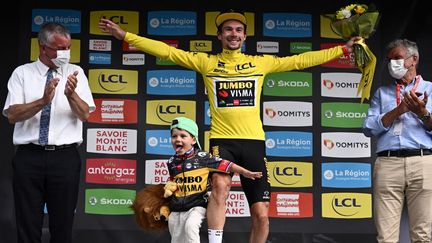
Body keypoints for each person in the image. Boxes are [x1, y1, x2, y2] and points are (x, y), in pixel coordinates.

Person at [99, 9, 359, 243]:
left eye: (238, 30)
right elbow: (168, 51)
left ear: (244, 36)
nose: (233, 34)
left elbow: (301, 60)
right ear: (219, 35)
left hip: (254, 142)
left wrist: (343, 50)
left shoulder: (261, 62)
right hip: (222, 141)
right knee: (220, 187)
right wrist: (126, 35)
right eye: (228, 30)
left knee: (262, 217)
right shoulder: (207, 63)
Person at [3, 22, 95, 243]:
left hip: (64, 158)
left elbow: (85, 115)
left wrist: (71, 95)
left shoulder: (76, 72)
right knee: (27, 223)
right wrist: (43, 101)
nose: (65, 53)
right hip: (29, 156)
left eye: (68, 47)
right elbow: (12, 115)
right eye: (59, 48)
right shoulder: (22, 73)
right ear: (42, 47)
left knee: (62, 225)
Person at [363, 39, 432, 243]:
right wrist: (398, 110)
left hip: (423, 162)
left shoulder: (430, 88)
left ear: (414, 59)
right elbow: (368, 128)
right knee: (386, 237)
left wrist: (423, 113)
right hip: (388, 163)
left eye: (398, 58)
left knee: (423, 235)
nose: (393, 63)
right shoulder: (381, 93)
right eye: (390, 59)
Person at [166, 116, 262, 243]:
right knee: (176, 237)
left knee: (191, 226)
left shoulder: (202, 157)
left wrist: (245, 172)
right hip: (177, 207)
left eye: (183, 136)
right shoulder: (171, 162)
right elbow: (173, 183)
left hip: (197, 205)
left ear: (193, 140)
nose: (178, 139)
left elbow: (226, 164)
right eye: (174, 136)